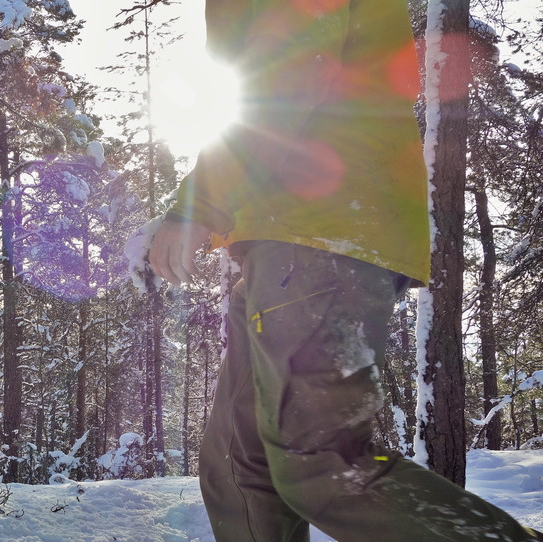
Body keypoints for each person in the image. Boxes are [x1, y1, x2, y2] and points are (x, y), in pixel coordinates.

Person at [148, 0, 543, 540]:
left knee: (322, 464)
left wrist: (201, 204)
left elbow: (289, 74)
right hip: (286, 243)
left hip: (319, 235)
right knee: (240, 465)